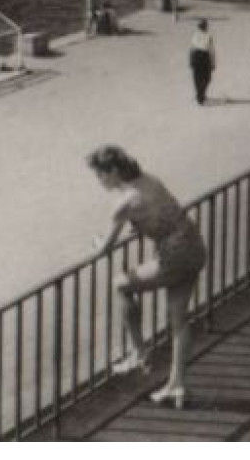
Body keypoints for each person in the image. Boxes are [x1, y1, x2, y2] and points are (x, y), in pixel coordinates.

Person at [88, 146, 205, 407]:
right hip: (194, 246)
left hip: (173, 256)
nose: (99, 181)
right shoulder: (149, 180)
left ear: (113, 171)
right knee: (178, 320)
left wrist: (96, 244)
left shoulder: (123, 204)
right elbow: (158, 212)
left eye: (100, 176)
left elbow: (104, 249)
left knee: (121, 284)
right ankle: (177, 386)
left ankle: (139, 352)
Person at [188, 20, 216, 105]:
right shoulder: (208, 36)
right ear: (205, 27)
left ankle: (200, 94)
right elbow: (212, 51)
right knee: (206, 77)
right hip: (204, 57)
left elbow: (191, 50)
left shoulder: (195, 36)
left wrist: (190, 60)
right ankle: (201, 94)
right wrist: (213, 63)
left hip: (196, 57)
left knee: (197, 77)